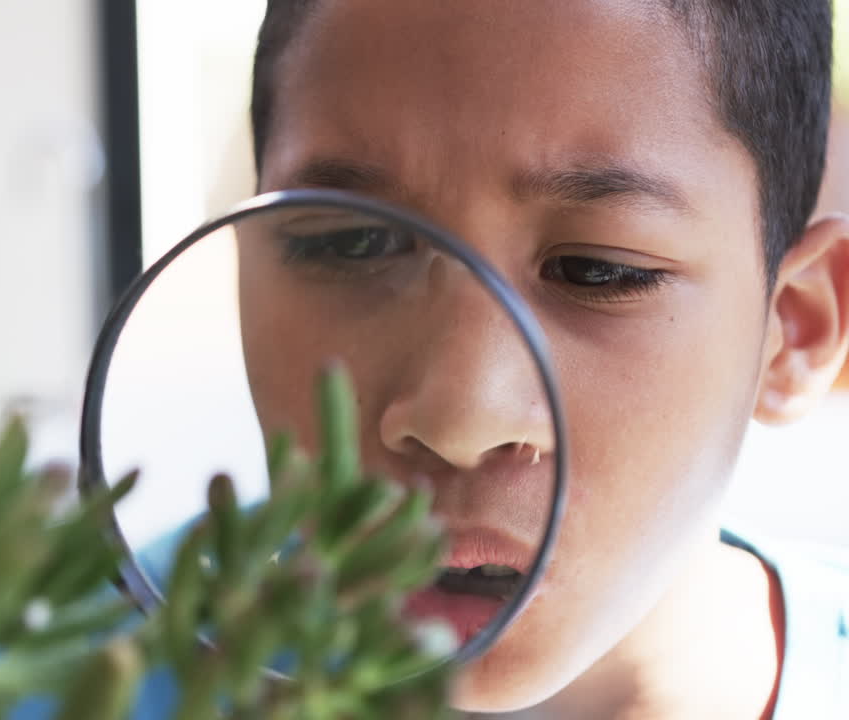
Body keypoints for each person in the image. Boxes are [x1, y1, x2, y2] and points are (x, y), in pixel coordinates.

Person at [101, 1, 849, 718]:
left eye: (596, 270)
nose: (460, 423)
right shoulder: (73, 668)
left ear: (795, 329)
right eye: (349, 242)